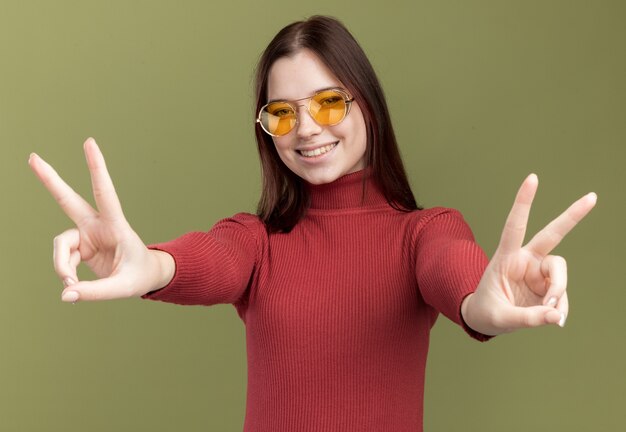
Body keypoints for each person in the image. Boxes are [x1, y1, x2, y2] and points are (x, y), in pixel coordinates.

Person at [29, 15, 596, 432]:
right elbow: (212, 258)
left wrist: (483, 306)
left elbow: (457, 274)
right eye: (281, 113)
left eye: (328, 103)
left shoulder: (423, 233)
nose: (305, 129)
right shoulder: (257, 242)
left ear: (365, 106)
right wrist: (148, 264)